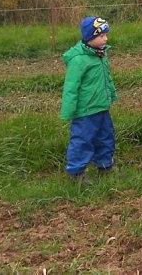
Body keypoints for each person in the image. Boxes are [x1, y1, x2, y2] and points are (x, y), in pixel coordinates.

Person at [61, 16, 117, 182]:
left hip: (101, 106)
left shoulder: (101, 54)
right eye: (101, 36)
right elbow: (71, 87)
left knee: (106, 137)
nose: (105, 38)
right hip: (85, 110)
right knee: (82, 140)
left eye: (106, 34)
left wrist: (111, 94)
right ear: (89, 37)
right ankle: (76, 172)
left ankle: (105, 165)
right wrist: (69, 110)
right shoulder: (78, 60)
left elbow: (106, 77)